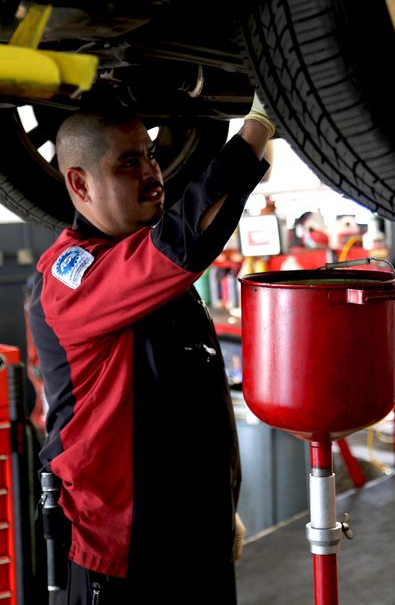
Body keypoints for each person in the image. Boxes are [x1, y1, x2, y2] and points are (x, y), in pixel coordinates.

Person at [28, 92, 275, 604]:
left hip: (194, 545)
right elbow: (185, 240)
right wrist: (256, 128)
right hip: (121, 561)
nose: (153, 174)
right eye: (128, 162)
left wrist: (218, 510)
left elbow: (191, 403)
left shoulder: (151, 272)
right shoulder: (69, 277)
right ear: (79, 183)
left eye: (152, 155)